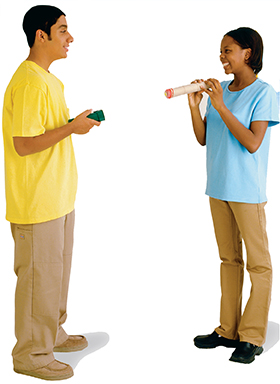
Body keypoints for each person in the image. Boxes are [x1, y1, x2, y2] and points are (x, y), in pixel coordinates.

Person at [2, 5, 101, 380]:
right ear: (40, 35)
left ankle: (52, 333)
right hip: (36, 202)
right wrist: (71, 129)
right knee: (37, 280)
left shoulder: (48, 80)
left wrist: (74, 124)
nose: (69, 37)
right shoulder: (29, 81)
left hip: (58, 197)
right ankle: (30, 355)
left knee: (54, 277)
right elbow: (24, 144)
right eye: (62, 30)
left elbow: (43, 131)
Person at [188, 27, 279, 364]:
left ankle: (252, 337)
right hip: (219, 188)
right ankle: (228, 330)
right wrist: (195, 107)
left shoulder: (263, 93)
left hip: (246, 192)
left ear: (248, 53)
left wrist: (221, 105)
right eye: (221, 51)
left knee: (259, 265)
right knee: (229, 261)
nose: (222, 57)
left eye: (228, 50)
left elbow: (253, 142)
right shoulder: (221, 91)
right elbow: (204, 139)